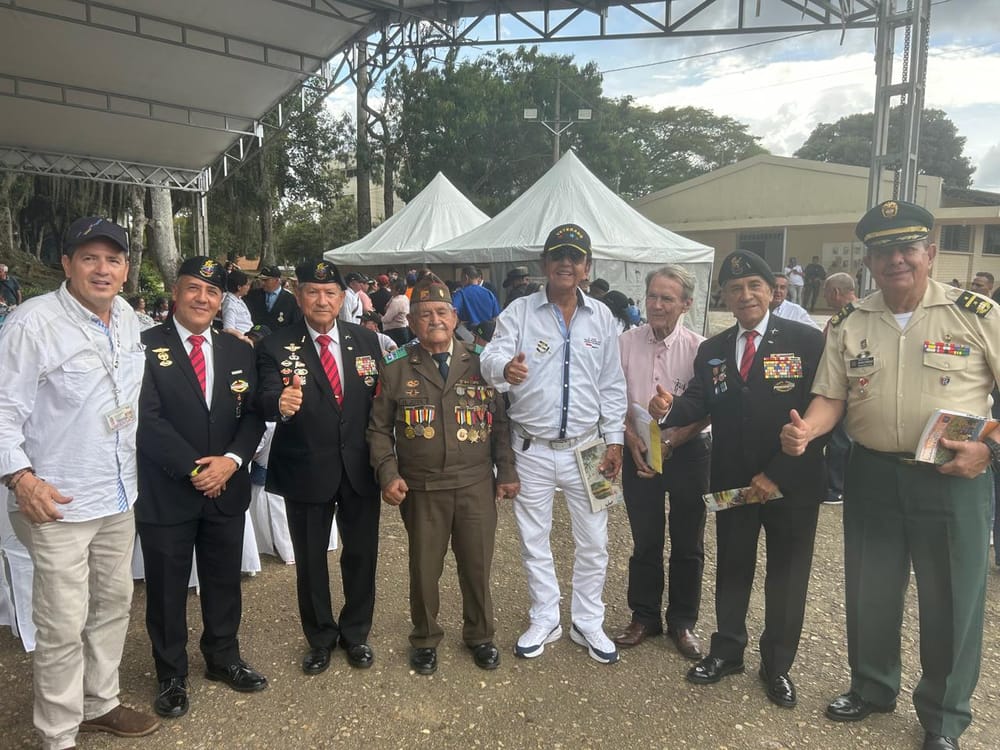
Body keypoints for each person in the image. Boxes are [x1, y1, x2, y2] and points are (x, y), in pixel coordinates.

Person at [779, 200, 1000, 750]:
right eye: (883, 251)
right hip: (872, 473)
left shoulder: (977, 313)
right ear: (868, 261)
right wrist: (807, 430)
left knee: (950, 598)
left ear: (928, 252)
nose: (896, 260)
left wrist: (989, 451)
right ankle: (873, 687)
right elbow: (832, 396)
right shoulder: (852, 322)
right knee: (870, 589)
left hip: (953, 476)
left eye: (907, 248)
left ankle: (944, 718)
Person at [0, 216, 160, 749]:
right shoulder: (32, 323)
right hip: (56, 502)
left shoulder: (129, 320)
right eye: (89, 258)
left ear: (125, 269)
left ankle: (99, 703)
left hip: (117, 493)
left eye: (113, 259)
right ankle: (58, 733)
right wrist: (21, 479)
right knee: (62, 623)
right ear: (66, 265)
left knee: (112, 605)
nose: (102, 268)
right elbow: (2, 411)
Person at [648, 250, 826, 710]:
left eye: (754, 286)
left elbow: (822, 417)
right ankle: (727, 651)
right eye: (734, 288)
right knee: (732, 567)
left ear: (771, 291)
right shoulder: (713, 350)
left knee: (787, 576)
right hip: (729, 481)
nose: (744, 295)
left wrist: (776, 473)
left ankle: (777, 665)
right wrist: (669, 408)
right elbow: (701, 405)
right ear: (724, 296)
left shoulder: (807, 341)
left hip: (790, 483)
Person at [480, 223, 627, 665]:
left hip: (591, 448)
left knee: (595, 541)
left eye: (575, 256)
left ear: (586, 267)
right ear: (545, 264)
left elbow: (612, 384)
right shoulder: (519, 312)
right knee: (533, 539)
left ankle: (588, 621)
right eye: (558, 255)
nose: (567, 263)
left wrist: (615, 440)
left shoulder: (602, 316)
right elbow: (489, 356)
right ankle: (545, 616)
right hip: (532, 449)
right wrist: (506, 369)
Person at [135, 257, 268, 719]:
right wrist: (197, 471)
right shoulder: (144, 345)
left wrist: (231, 462)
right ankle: (171, 673)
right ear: (176, 292)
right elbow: (145, 420)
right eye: (194, 288)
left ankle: (223, 658)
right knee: (168, 589)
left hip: (226, 487)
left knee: (223, 581)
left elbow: (252, 414)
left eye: (212, 293)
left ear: (221, 300)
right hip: (168, 490)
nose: (202, 299)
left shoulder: (238, 350)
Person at [368, 276, 519, 675]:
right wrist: (388, 474)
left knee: (477, 565)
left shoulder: (481, 361)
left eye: (440, 312)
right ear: (412, 323)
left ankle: (481, 634)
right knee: (424, 568)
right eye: (423, 315)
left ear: (454, 317)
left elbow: (500, 424)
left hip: (474, 484)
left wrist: (506, 471)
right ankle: (425, 637)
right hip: (422, 488)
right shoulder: (397, 367)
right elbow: (379, 429)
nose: (433, 320)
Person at [255, 259, 383, 675]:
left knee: (361, 554)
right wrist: (280, 403)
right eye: (313, 292)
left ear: (343, 299)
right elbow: (267, 394)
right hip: (306, 467)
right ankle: (321, 638)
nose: (322, 300)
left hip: (360, 468)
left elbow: (382, 401)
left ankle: (356, 633)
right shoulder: (275, 344)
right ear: (299, 295)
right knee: (311, 561)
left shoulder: (367, 341)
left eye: (330, 293)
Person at [613, 266, 711, 661]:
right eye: (652, 295)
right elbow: (612, 397)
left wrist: (671, 441)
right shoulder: (623, 343)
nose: (656, 304)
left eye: (667, 298)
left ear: (686, 303)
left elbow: (708, 408)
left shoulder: (701, 348)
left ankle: (683, 622)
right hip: (637, 448)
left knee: (689, 541)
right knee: (645, 538)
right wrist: (631, 439)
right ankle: (644, 615)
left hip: (687, 451)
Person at [820, 273, 859, 505]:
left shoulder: (850, 317)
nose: (825, 297)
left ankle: (837, 487)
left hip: (843, 389)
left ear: (835, 293)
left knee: (839, 440)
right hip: (846, 387)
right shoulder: (854, 315)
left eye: (826, 292)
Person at [245, 265, 300, 329]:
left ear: (277, 280)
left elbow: (296, 324)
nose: (262, 283)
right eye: (261, 280)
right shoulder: (252, 295)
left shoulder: (290, 300)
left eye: (266, 280)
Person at [453, 266, 500, 330]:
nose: (461, 282)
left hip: (468, 335)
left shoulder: (460, 294)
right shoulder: (489, 294)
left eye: (461, 278)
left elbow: (452, 312)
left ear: (466, 278)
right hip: (486, 335)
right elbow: (496, 317)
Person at [221, 268, 254, 337]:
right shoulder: (230, 304)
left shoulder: (238, 299)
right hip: (242, 339)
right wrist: (243, 338)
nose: (249, 287)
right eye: (247, 285)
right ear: (239, 287)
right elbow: (228, 328)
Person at [382, 277, 411, 347]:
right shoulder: (402, 298)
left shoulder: (397, 301)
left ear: (398, 290)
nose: (390, 290)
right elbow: (386, 308)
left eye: (392, 288)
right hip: (401, 330)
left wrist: (380, 318)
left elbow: (387, 319)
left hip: (396, 331)